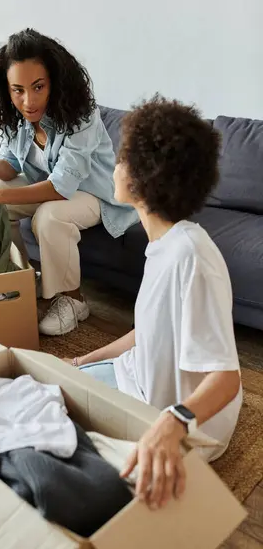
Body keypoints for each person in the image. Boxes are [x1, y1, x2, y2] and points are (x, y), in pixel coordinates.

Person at [67, 96, 242, 510]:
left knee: (59, 443)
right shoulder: (164, 244)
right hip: (140, 381)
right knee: (49, 388)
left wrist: (172, 422)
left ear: (147, 175)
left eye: (122, 158)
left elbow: (227, 377)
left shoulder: (191, 256)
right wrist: (86, 361)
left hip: (186, 423)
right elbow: (148, 331)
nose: (114, 165)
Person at [0, 28, 137, 336]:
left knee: (49, 216)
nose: (29, 101)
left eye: (38, 86)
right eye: (18, 90)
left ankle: (72, 300)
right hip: (55, 191)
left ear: (55, 80)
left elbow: (61, 187)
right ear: (7, 89)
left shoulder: (81, 116)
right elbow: (11, 165)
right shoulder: (16, 119)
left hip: (95, 195)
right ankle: (18, 280)